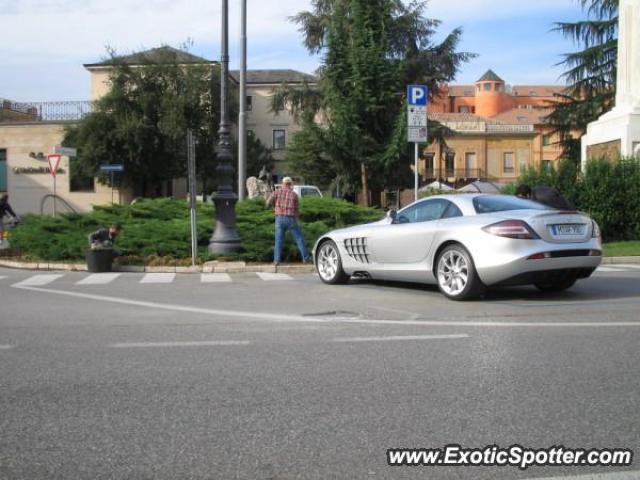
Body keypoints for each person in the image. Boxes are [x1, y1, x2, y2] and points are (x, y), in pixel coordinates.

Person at [266, 177, 311, 266]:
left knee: (278, 240)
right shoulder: (294, 195)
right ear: (290, 184)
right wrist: (297, 220)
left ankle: (276, 261)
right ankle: (306, 258)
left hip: (279, 219)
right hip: (291, 219)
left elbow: (267, 203)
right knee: (299, 239)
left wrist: (273, 206)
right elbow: (297, 210)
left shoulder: (277, 192)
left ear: (283, 183)